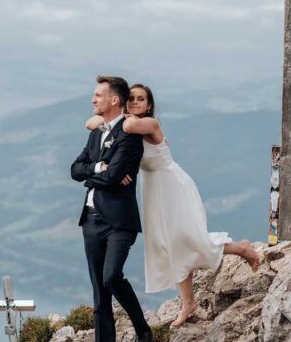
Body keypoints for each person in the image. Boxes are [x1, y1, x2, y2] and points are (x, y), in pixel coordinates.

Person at [86, 83, 260, 327]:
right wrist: (118, 168)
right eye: (132, 98)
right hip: (153, 191)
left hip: (172, 187)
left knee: (187, 238)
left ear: (149, 105)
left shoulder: (149, 124)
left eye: (140, 99)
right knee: (171, 245)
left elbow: (128, 125)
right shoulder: (124, 127)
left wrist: (116, 118)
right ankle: (188, 302)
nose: (135, 102)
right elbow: (89, 123)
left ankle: (241, 249)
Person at [70, 75, 152, 342]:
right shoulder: (95, 133)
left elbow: (117, 172)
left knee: (112, 276)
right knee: (99, 294)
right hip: (91, 220)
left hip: (119, 221)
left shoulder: (130, 134)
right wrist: (98, 171)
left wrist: (100, 172)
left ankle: (142, 330)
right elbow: (75, 169)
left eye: (97, 95)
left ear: (113, 100)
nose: (93, 100)